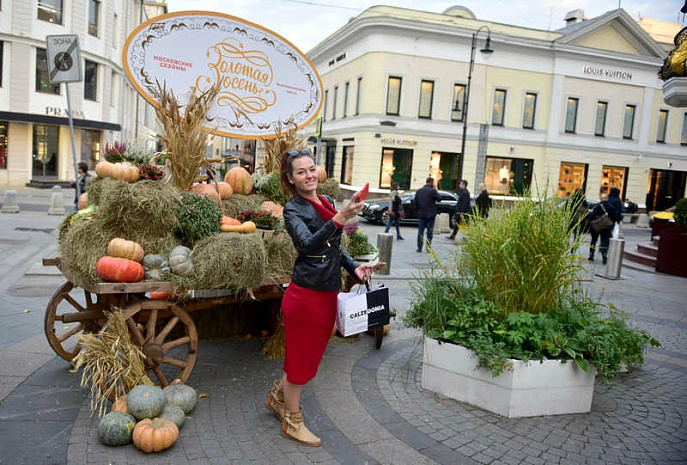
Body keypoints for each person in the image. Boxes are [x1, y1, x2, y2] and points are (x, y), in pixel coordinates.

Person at [265, 148, 374, 447]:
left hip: (327, 293)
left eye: (311, 168)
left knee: (309, 359)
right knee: (300, 363)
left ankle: (277, 397)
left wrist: (355, 266)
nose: (309, 175)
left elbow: (333, 248)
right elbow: (309, 246)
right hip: (305, 296)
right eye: (301, 172)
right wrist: (340, 217)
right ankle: (292, 420)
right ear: (290, 178)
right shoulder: (293, 209)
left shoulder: (324, 201)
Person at [588, 193, 616, 264]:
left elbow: (592, 216)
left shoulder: (597, 206)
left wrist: (590, 225)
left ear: (601, 199)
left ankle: (591, 254)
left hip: (597, 226)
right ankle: (604, 253)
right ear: (607, 199)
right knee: (605, 241)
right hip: (606, 227)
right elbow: (614, 217)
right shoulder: (611, 207)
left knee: (594, 240)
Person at [414, 177, 440, 252]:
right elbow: (439, 198)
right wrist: (435, 189)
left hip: (421, 214)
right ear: (431, 183)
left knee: (420, 231)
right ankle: (428, 247)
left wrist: (419, 209)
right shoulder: (433, 191)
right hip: (431, 214)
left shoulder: (419, 191)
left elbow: (415, 202)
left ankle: (419, 247)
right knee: (429, 231)